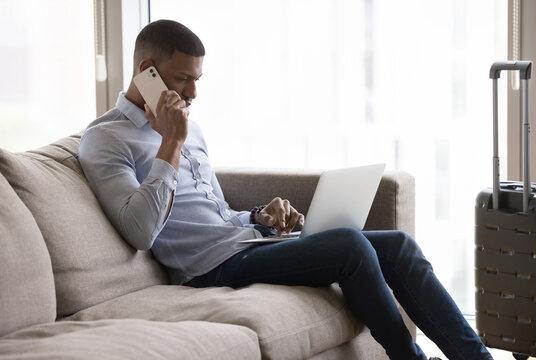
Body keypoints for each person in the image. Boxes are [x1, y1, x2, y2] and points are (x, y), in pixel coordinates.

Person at [79, 19, 493, 360]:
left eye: (198, 79)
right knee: (349, 246)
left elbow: (214, 213)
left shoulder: (193, 126)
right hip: (206, 270)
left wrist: (259, 216)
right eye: (183, 79)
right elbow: (139, 231)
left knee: (400, 246)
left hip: (242, 244)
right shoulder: (106, 139)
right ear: (146, 70)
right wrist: (170, 143)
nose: (193, 93)